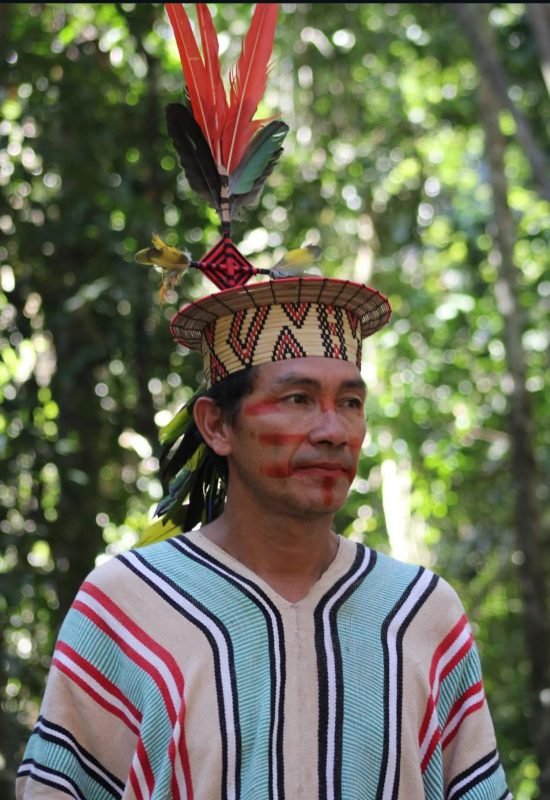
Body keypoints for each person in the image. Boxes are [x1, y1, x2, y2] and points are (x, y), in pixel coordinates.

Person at [16, 4, 511, 799]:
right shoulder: (126, 610)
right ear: (217, 423)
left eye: (350, 401)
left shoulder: (424, 616)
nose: (331, 428)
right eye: (296, 398)